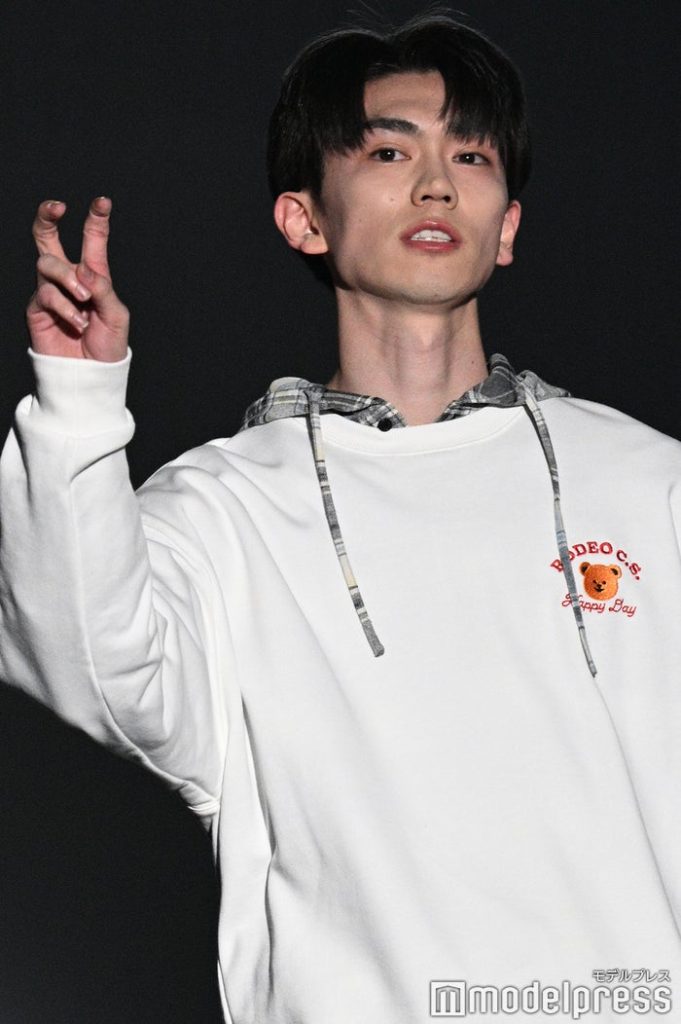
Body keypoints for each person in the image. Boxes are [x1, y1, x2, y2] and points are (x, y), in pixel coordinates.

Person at [1, 12, 680, 1023]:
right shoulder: (223, 508)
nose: (436, 183)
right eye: (388, 151)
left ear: (507, 226)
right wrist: (77, 403)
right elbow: (79, 660)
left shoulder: (646, 480)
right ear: (303, 219)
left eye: (471, 154)